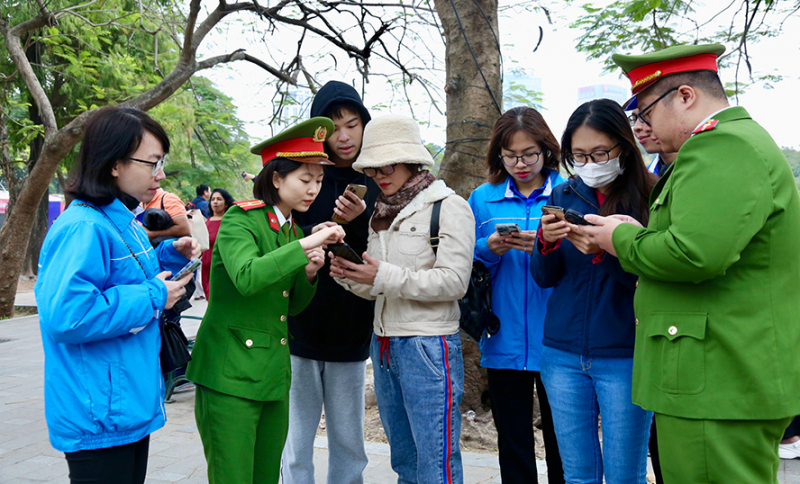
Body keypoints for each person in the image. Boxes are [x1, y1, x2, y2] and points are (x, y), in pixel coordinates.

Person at [582, 44, 800, 484]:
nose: (643, 125)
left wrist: (620, 238)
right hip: (718, 372)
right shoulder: (733, 144)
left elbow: (694, 254)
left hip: (716, 377)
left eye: (646, 111)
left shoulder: (721, 148)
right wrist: (636, 233)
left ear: (685, 96)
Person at [34, 106, 198, 484]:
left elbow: (125, 276)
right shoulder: (83, 228)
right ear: (114, 164)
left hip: (123, 400)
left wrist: (169, 255)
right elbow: (67, 316)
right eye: (152, 163)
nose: (160, 175)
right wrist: (155, 295)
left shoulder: (120, 217)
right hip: (98, 409)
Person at [185, 118, 346, 484]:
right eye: (305, 180)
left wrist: (307, 273)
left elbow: (290, 305)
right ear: (277, 178)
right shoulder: (242, 220)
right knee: (233, 477)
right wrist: (306, 244)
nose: (313, 190)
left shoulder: (289, 227)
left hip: (270, 374)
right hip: (229, 374)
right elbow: (247, 277)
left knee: (265, 478)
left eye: (318, 182)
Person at [329, 115, 475, 484]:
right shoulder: (381, 211)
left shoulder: (449, 206)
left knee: (435, 462)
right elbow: (380, 284)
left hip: (429, 345)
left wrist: (381, 276)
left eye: (387, 165)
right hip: (384, 345)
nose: (380, 174)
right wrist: (349, 275)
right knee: (404, 461)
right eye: (373, 168)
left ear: (412, 160)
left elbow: (455, 282)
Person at [530, 99, 656, 484]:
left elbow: (653, 278)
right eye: (579, 155)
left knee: (624, 475)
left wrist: (609, 250)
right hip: (561, 353)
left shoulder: (652, 195)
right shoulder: (564, 196)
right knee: (579, 475)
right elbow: (544, 277)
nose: (590, 163)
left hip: (625, 354)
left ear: (624, 144)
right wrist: (547, 243)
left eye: (600, 152)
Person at [281, 81, 378, 484]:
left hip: (352, 327)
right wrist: (313, 233)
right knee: (296, 437)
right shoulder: (298, 177)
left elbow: (378, 256)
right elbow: (280, 242)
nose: (343, 136)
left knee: (348, 439)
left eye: (352, 125)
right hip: (298, 324)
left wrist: (357, 222)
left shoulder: (376, 182)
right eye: (332, 126)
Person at [466, 106, 565, 484]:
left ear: (546, 149)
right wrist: (489, 247)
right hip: (503, 337)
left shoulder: (567, 193)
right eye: (510, 156)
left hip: (559, 339)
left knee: (563, 442)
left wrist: (549, 247)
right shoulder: (483, 198)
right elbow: (466, 264)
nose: (520, 164)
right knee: (513, 441)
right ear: (498, 154)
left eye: (529, 154)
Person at [627, 106, 676, 484]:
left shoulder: (689, 174)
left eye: (648, 119)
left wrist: (624, 237)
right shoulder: (657, 173)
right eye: (636, 122)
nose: (643, 129)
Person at [201, 188, 234, 300]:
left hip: (222, 267)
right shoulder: (206, 222)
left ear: (226, 204)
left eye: (219, 199)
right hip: (206, 267)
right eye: (213, 199)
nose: (215, 202)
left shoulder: (230, 222)